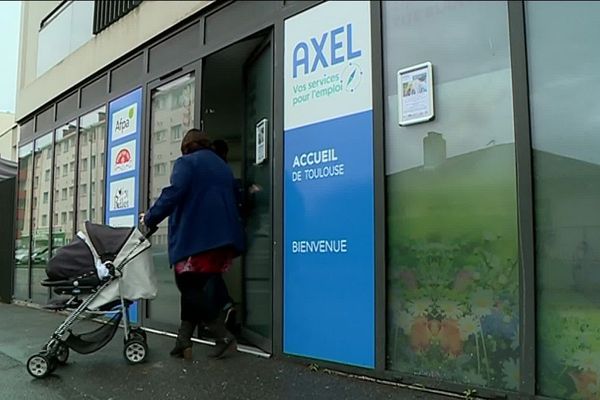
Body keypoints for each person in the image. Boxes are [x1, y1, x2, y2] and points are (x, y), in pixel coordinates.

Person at [142, 129, 244, 360]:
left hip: (196, 238)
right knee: (194, 289)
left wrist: (150, 217)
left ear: (186, 146)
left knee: (187, 286)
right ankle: (183, 340)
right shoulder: (221, 166)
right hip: (222, 239)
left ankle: (223, 336)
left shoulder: (186, 163)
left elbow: (174, 192)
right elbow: (236, 197)